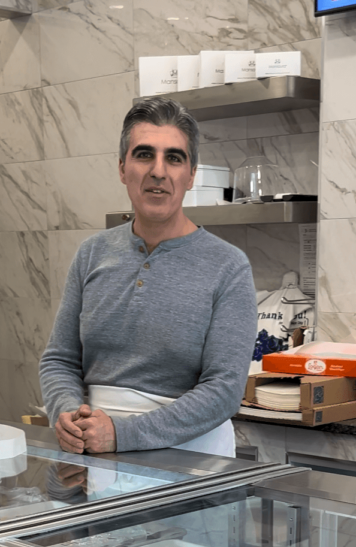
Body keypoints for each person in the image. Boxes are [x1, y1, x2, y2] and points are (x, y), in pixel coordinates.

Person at [39, 97, 257, 458]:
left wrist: (123, 434)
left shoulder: (228, 266)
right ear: (123, 168)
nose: (159, 171)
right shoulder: (91, 253)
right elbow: (59, 359)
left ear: (191, 175)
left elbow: (224, 389)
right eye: (144, 155)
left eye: (174, 158)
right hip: (94, 453)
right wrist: (66, 414)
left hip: (190, 459)